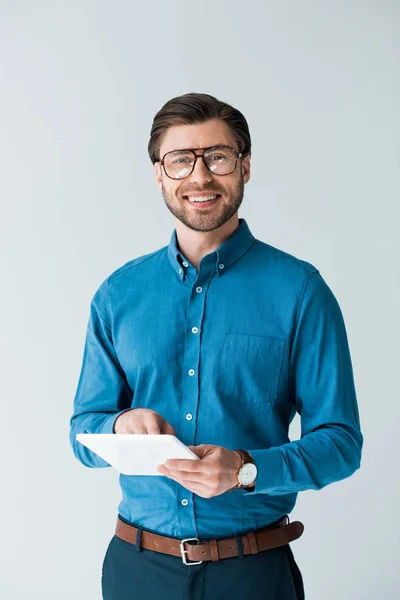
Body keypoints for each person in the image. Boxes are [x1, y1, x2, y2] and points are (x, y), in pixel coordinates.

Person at [69, 92, 363, 600]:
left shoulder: (300, 292)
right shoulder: (117, 294)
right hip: (137, 571)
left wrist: (247, 469)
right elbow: (81, 435)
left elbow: (340, 441)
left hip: (252, 573)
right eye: (181, 159)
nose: (200, 177)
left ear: (244, 167)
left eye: (218, 157)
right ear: (159, 174)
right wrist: (118, 425)